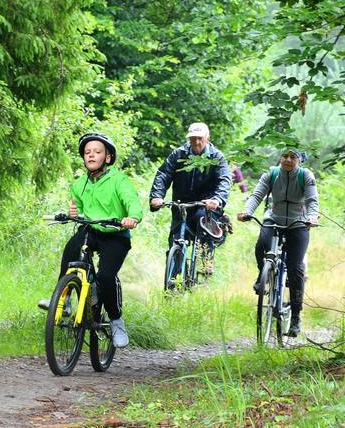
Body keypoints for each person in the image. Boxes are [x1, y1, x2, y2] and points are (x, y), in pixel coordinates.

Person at [39, 133, 143, 348]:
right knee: (71, 251)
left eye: (97, 152)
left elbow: (132, 201)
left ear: (108, 157)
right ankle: (64, 302)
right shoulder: (79, 184)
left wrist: (132, 217)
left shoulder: (119, 180)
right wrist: (74, 213)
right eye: (87, 152)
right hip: (91, 230)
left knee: (105, 276)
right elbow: (79, 209)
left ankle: (116, 321)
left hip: (115, 234)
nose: (91, 155)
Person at [237, 149, 318, 337]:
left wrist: (312, 216)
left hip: (298, 223)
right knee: (261, 246)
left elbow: (312, 200)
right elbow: (257, 195)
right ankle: (263, 275)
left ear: (299, 160)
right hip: (273, 219)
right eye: (285, 156)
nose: (288, 160)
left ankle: (296, 317)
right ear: (280, 158)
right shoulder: (271, 174)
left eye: (293, 157)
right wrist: (247, 211)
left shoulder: (305, 176)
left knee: (296, 268)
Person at [149, 122, 232, 274]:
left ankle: (206, 261)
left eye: (200, 138)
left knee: (203, 222)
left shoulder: (217, 157)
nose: (196, 142)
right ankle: (173, 278)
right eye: (193, 138)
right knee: (175, 238)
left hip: (206, 204)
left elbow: (224, 181)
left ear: (207, 138)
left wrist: (217, 199)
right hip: (181, 203)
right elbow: (163, 175)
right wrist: (157, 196)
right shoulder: (178, 154)